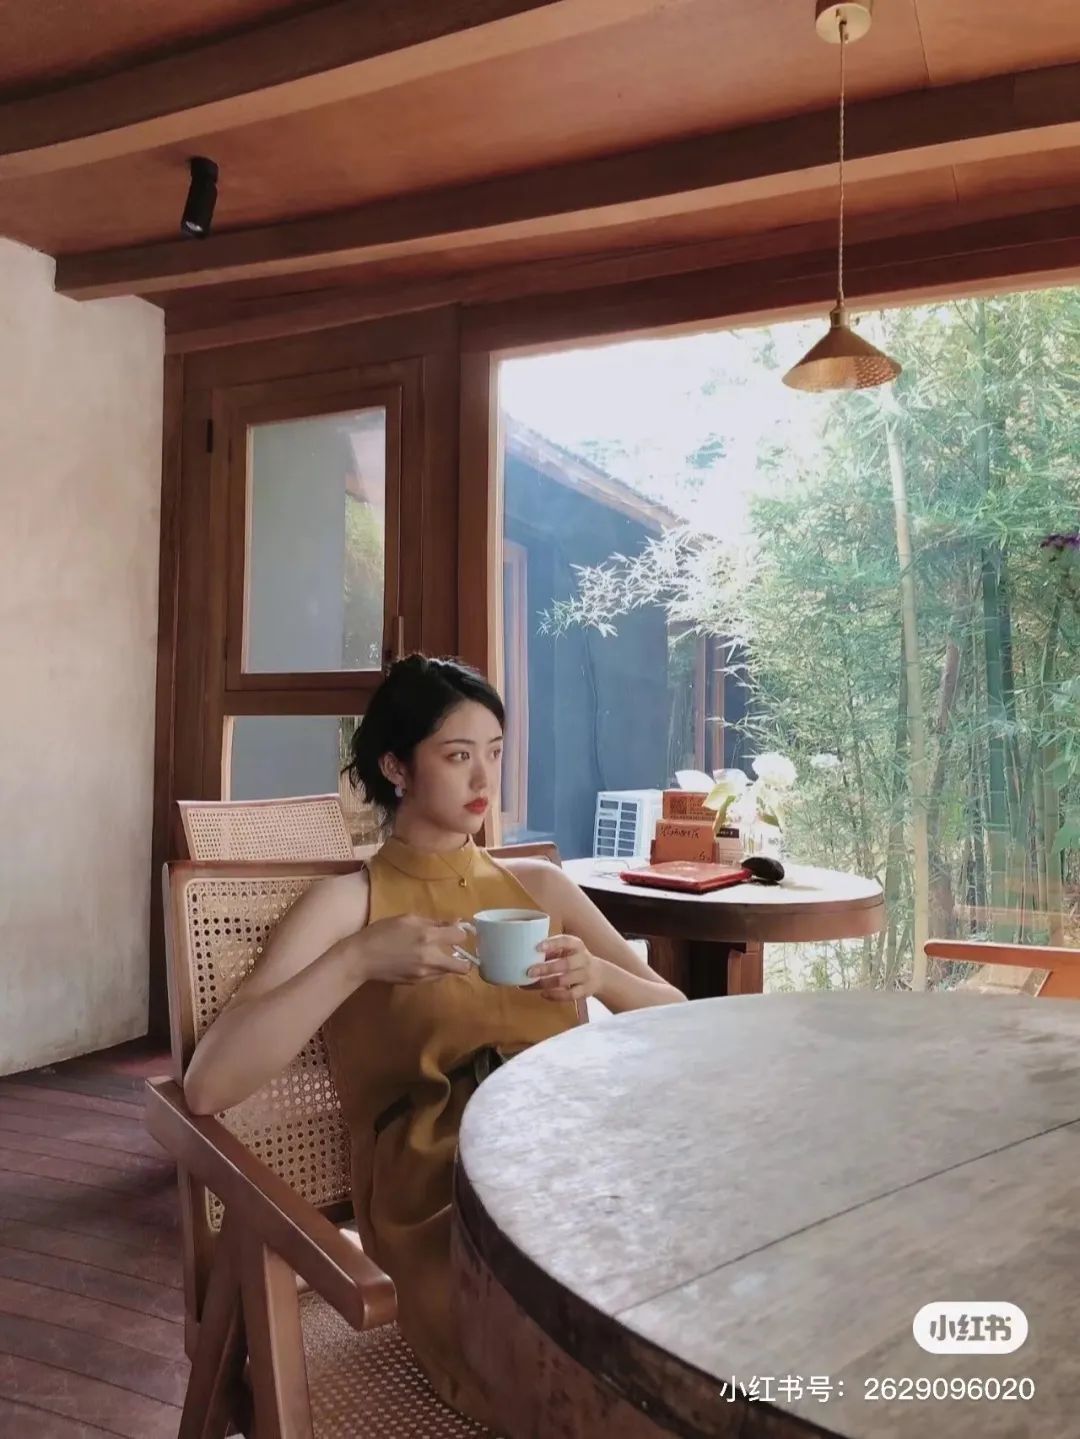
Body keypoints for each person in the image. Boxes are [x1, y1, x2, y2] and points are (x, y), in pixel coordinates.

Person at [183, 654, 686, 1427]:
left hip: (573, 1154)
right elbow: (208, 1084)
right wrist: (357, 960)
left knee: (696, 1295)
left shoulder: (540, 887)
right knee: (601, 1360)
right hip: (441, 1197)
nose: (483, 777)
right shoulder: (349, 905)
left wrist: (602, 977)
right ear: (396, 767)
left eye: (494, 752)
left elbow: (676, 1014)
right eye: (457, 755)